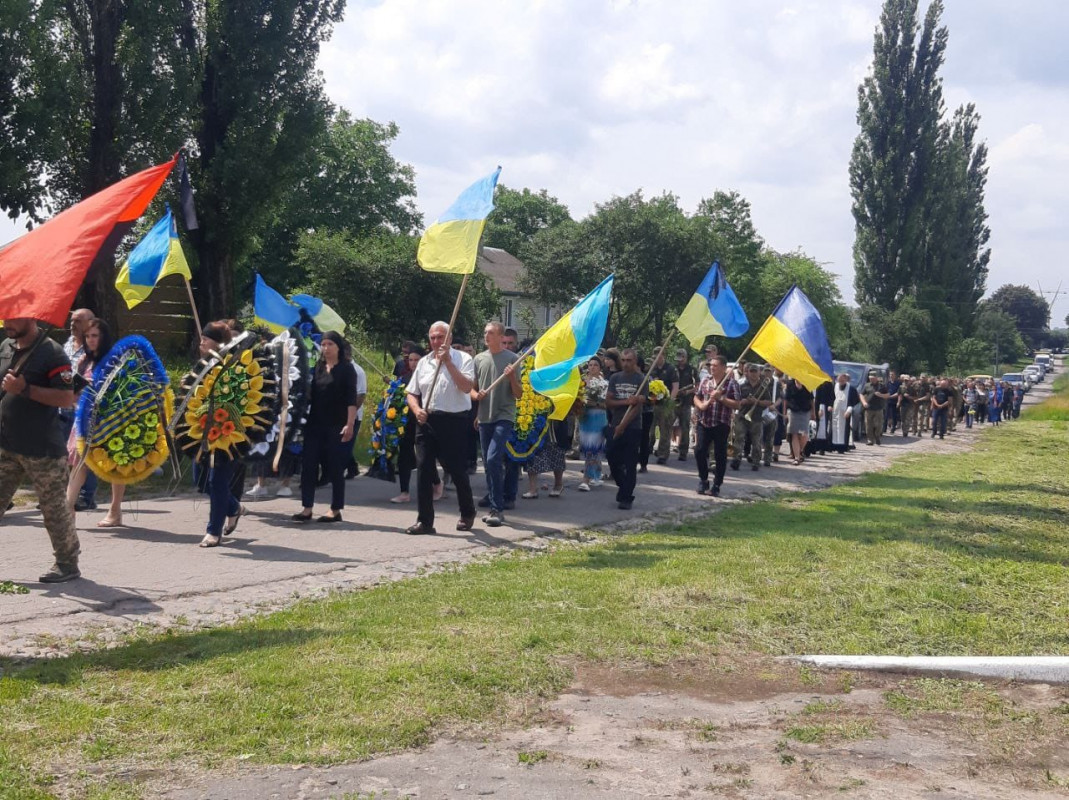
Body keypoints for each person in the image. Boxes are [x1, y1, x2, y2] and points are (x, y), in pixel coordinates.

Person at [0, 318, 80, 582]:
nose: (7, 323)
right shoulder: (6, 347)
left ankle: (67, 564)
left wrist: (24, 389)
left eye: (13, 318)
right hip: (6, 444)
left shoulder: (52, 352)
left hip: (42, 448)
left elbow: (66, 398)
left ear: (30, 317)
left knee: (53, 510)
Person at [405, 321, 477, 535]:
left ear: (450, 339)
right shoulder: (424, 363)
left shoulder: (463, 359)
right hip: (427, 420)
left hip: (454, 421)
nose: (436, 341)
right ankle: (425, 521)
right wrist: (416, 409)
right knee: (424, 469)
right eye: (433, 337)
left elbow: (466, 387)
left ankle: (467, 512)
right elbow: (411, 393)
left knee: (455, 468)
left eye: (440, 337)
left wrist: (448, 363)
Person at [63, 319, 127, 527]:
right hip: (84, 418)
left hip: (108, 420)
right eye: (88, 336)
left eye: (95, 336)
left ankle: (115, 510)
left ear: (103, 337)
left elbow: (121, 390)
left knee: (115, 465)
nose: (90, 340)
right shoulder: (83, 360)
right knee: (79, 462)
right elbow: (74, 392)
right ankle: (67, 509)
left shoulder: (114, 359)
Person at [292, 331, 359, 524]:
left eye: (330, 344)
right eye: (323, 344)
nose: (326, 348)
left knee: (334, 467)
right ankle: (307, 508)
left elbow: (351, 400)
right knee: (309, 465)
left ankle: (335, 509)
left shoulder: (347, 370)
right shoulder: (319, 368)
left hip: (336, 424)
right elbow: (311, 394)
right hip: (315, 424)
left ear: (338, 347)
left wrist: (350, 424)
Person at [471, 321, 521, 527]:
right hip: (484, 416)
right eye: (485, 332)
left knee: (493, 458)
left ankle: (497, 508)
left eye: (490, 333)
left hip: (504, 414)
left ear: (501, 337)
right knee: (488, 461)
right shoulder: (479, 359)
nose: (486, 336)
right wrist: (476, 395)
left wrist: (511, 378)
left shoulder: (513, 359)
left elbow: (518, 394)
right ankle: (493, 499)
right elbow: (472, 390)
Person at [693, 355, 740, 497]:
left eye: (715, 365)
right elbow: (697, 396)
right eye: (711, 365)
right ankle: (703, 479)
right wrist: (700, 405)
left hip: (721, 423)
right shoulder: (705, 381)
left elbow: (737, 404)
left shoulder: (731, 384)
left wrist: (721, 398)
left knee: (720, 455)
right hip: (704, 421)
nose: (712, 368)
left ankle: (717, 484)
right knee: (699, 450)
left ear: (724, 368)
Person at [605, 349, 646, 510]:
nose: (626, 363)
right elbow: (608, 402)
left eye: (629, 360)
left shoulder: (641, 379)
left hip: (633, 427)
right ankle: (623, 487)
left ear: (635, 361)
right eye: (623, 360)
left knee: (630, 463)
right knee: (611, 457)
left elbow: (637, 407)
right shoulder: (615, 378)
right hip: (615, 423)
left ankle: (627, 497)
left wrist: (623, 425)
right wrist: (625, 402)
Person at [731, 364, 771, 471]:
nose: (753, 374)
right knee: (739, 438)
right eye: (751, 371)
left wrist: (756, 401)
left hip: (756, 417)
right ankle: (736, 459)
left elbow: (768, 402)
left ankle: (756, 461)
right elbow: (735, 400)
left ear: (759, 373)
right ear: (748, 373)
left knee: (756, 440)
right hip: (742, 416)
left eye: (755, 371)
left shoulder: (763, 387)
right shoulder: (741, 385)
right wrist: (743, 401)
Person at [577, 356, 608, 491]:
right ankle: (597, 474)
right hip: (585, 418)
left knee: (593, 449)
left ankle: (586, 480)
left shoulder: (604, 383)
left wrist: (594, 403)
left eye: (595, 365)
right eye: (590, 365)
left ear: (600, 368)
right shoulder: (582, 383)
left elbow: (607, 403)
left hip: (599, 418)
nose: (592, 367)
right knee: (588, 448)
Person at [648, 347, 679, 465]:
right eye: (655, 356)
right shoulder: (652, 369)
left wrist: (670, 401)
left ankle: (662, 454)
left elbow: (675, 386)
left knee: (665, 430)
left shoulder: (671, 369)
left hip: (665, 402)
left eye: (659, 356)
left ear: (663, 356)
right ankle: (648, 448)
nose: (657, 358)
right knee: (650, 429)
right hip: (653, 402)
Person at [672, 348, 696, 462]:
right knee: (668, 425)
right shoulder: (673, 369)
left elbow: (698, 385)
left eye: (681, 359)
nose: (679, 361)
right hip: (673, 401)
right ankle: (664, 450)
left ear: (686, 358)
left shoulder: (692, 370)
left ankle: (683, 452)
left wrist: (688, 391)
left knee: (685, 427)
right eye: (678, 359)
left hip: (686, 401)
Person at [784, 377, 813, 464]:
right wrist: (785, 412)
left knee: (804, 434)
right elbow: (786, 399)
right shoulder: (790, 384)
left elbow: (811, 399)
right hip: (793, 411)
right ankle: (797, 457)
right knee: (794, 433)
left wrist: (813, 412)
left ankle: (800, 450)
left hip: (805, 411)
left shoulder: (807, 383)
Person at [829, 373, 859, 454]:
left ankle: (842, 448)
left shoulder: (851, 389)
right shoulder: (834, 386)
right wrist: (830, 406)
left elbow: (854, 401)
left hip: (845, 412)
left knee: (843, 430)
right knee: (834, 428)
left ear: (845, 379)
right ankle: (833, 446)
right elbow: (830, 397)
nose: (841, 382)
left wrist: (849, 410)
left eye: (842, 380)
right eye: (839, 380)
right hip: (835, 411)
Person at [859, 371, 889, 445]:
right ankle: (870, 440)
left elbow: (887, 395)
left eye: (872, 378)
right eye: (870, 378)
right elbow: (861, 395)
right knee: (868, 425)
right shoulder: (867, 386)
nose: (871, 380)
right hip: (869, 408)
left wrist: (881, 395)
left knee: (878, 425)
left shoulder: (882, 386)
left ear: (876, 378)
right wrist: (864, 402)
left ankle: (877, 436)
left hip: (879, 408)